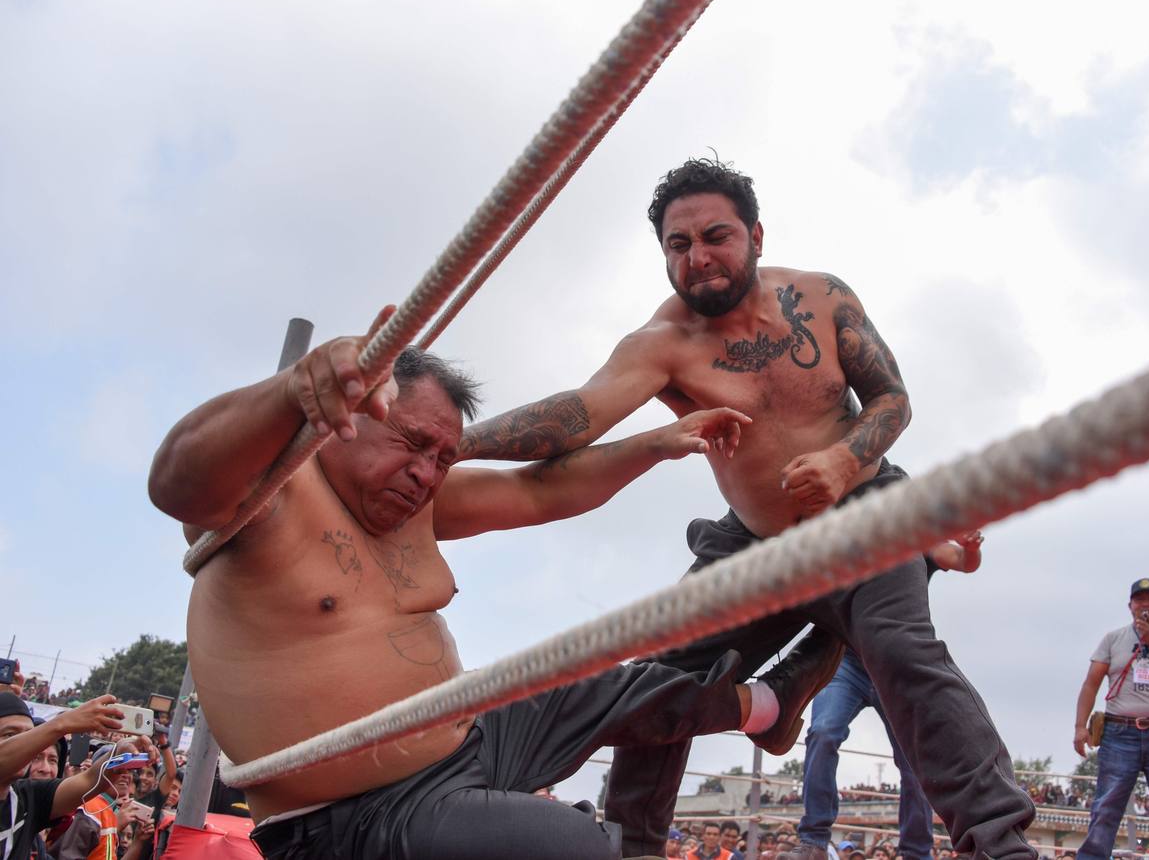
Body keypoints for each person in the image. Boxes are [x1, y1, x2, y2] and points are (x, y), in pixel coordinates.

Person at [457, 158, 1036, 858]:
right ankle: (629, 844)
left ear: (756, 235)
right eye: (678, 245)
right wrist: (451, 442)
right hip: (755, 542)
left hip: (864, 514)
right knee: (664, 674)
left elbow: (893, 399)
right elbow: (579, 415)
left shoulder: (822, 300)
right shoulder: (662, 345)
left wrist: (843, 459)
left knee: (901, 650)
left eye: (715, 236)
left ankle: (999, 844)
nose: (697, 257)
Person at [149, 337, 841, 860]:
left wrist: (656, 444)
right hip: (359, 815)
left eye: (443, 458)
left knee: (606, 687)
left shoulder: (420, 499)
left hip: (467, 730)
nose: (425, 474)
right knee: (572, 845)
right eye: (413, 444)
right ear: (350, 417)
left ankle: (768, 710)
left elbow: (541, 491)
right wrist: (290, 391)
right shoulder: (270, 495)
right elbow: (177, 483)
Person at [799, 533, 983, 860]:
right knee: (823, 732)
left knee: (914, 760)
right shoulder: (846, 539)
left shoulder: (913, 540)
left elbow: (962, 562)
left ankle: (915, 851)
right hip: (846, 661)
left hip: (897, 664)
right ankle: (813, 841)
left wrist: (970, 547)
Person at [1072, 578, 1149, 860]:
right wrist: (1080, 726)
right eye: (1139, 600)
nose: (1145, 605)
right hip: (1120, 732)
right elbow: (1091, 683)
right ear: (1130, 606)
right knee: (1105, 808)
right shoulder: (1113, 639)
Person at [0, 692, 150, 860]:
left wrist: (119, 753)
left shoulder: (28, 797)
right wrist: (63, 723)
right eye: (10, 736)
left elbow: (88, 780)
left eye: (29, 735)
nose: (28, 748)